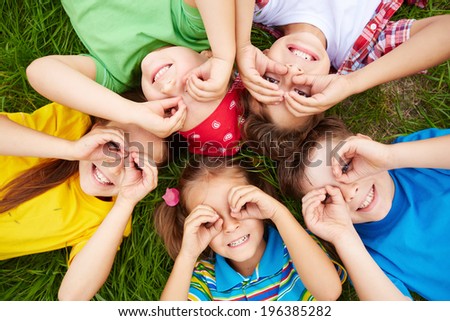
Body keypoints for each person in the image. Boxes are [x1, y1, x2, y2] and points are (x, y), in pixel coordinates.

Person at [26, 0, 244, 156]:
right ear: (207, 57)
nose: (169, 87)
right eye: (195, 84)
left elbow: (40, 71)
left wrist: (132, 112)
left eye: (171, 109)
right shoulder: (190, 29)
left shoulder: (116, 74)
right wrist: (224, 56)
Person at [236, 0, 450, 158]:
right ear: (324, 91)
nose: (292, 72)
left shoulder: (266, 7)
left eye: (271, 80)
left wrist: (242, 44)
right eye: (301, 92)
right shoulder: (361, 53)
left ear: (261, 59)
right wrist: (351, 83)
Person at [0, 101, 163, 300]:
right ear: (97, 129)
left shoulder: (107, 218)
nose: (115, 168)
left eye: (137, 165)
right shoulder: (69, 125)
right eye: (113, 145)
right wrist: (72, 149)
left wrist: (126, 203)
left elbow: (72, 296)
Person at [277, 116, 450, 300]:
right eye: (328, 197)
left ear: (365, 145)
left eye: (346, 167)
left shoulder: (413, 158)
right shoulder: (363, 254)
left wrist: (389, 156)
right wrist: (344, 237)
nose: (350, 193)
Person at [153, 157, 345, 301]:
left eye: (240, 207)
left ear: (260, 201)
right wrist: (187, 254)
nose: (230, 226)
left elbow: (329, 293)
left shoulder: (298, 247)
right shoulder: (206, 280)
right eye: (210, 221)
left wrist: (279, 213)